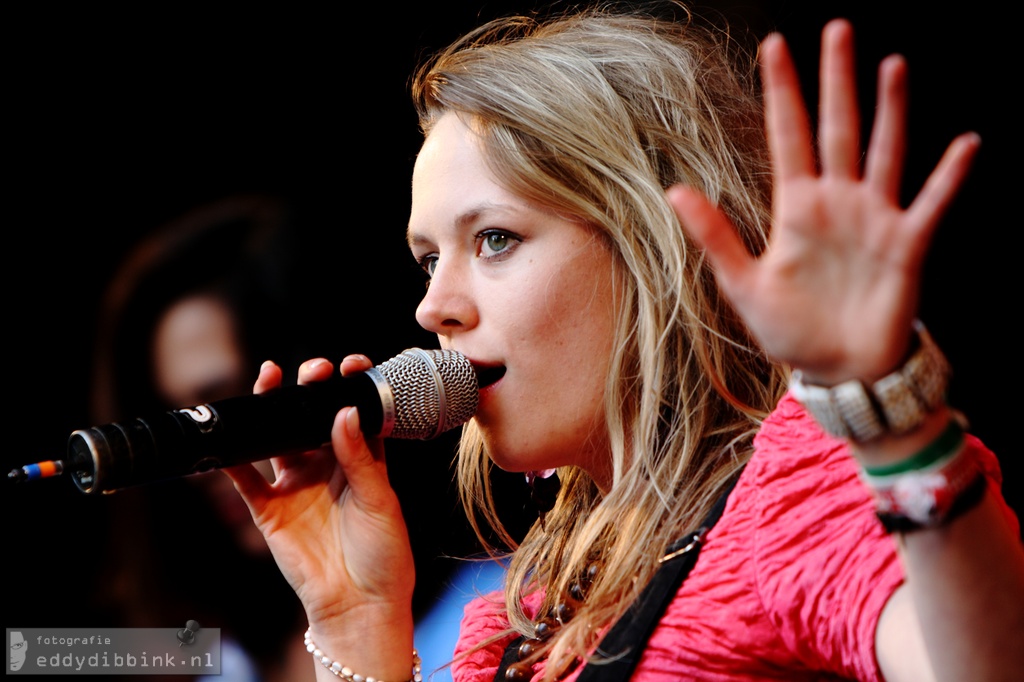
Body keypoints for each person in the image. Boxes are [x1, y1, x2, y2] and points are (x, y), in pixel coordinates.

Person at [220, 3, 1024, 681]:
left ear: (649, 248)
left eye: (495, 239)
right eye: (429, 259)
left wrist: (894, 416)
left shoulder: (791, 483)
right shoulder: (512, 623)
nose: (434, 307)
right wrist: (358, 621)